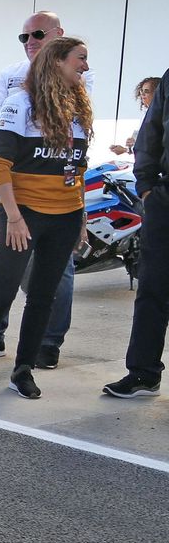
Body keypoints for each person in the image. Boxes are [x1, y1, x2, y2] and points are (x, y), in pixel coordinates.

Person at [0, 38, 92, 400]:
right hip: (21, 216)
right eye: (80, 59)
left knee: (43, 296)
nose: (85, 67)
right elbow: (0, 163)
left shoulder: (77, 107)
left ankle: (23, 369)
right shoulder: (20, 103)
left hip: (65, 217)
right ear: (56, 62)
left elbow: (78, 168)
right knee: (1, 293)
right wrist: (13, 217)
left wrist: (80, 216)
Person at [0, 10, 93, 368]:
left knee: (56, 277)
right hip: (16, 189)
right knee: (6, 271)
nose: (30, 42)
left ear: (57, 38)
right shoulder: (10, 78)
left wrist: (81, 214)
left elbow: (76, 140)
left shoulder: (78, 74)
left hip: (59, 194)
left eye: (38, 35)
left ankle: (47, 343)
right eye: (24, 37)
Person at [104, 64, 168, 399]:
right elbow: (150, 136)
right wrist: (146, 188)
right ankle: (143, 373)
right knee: (153, 289)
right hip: (164, 202)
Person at [109, 76, 161, 159]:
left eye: (147, 91)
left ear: (157, 93)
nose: (142, 95)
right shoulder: (147, 114)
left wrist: (130, 148)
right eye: (141, 91)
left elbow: (154, 146)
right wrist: (130, 147)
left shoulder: (160, 116)